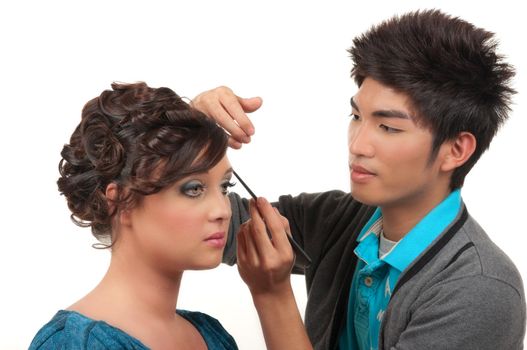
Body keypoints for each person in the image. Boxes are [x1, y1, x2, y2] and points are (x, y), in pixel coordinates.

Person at [192, 9, 526, 350]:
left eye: (389, 127)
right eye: (356, 116)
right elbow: (202, 224)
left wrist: (272, 293)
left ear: (456, 149)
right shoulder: (338, 218)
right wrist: (186, 130)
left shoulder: (480, 290)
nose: (357, 144)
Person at [29, 82, 243, 349]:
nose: (223, 210)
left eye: (224, 187)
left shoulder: (211, 335)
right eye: (194, 189)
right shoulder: (73, 344)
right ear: (121, 201)